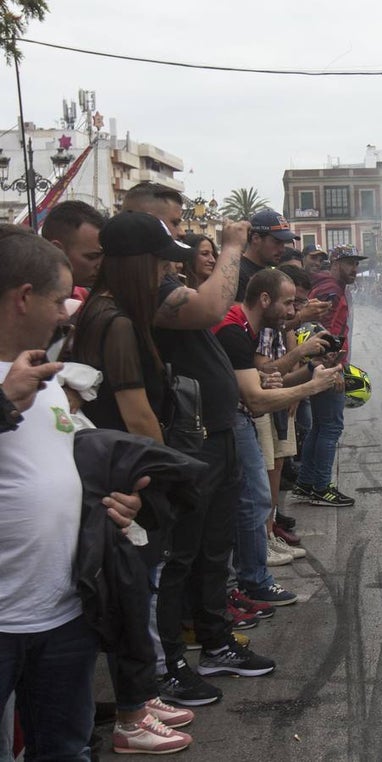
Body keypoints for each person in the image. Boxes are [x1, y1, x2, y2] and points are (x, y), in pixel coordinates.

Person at [0, 224, 146, 759]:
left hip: (62, 616)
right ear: (23, 298)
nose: (67, 313)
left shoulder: (48, 378)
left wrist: (109, 506)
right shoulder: (15, 384)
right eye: (59, 299)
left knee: (65, 749)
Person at [69, 212, 197, 752]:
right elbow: (136, 414)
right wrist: (175, 476)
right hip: (125, 481)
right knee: (131, 595)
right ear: (138, 264)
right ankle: (130, 714)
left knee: (136, 593)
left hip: (119, 475)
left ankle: (140, 698)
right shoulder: (116, 320)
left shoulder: (106, 312)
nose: (167, 275)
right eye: (163, 263)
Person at [214, 269, 342, 607]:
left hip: (233, 416)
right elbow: (255, 399)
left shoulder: (244, 328)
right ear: (265, 300)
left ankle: (248, 581)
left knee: (251, 500)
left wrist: (304, 370)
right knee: (253, 499)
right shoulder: (233, 330)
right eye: (287, 304)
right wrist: (312, 385)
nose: (292, 313)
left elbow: (258, 379)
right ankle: (252, 582)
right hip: (229, 420)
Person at [293, 245, 367, 507]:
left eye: (356, 264)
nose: (354, 269)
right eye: (349, 263)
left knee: (321, 426)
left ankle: (306, 483)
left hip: (322, 364)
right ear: (335, 264)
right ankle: (322, 486)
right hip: (328, 365)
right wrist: (333, 368)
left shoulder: (332, 287)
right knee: (331, 426)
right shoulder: (331, 290)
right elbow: (323, 330)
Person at [40, 200, 106, 295]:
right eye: (92, 257)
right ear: (57, 250)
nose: (101, 265)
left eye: (105, 256)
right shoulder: (32, 305)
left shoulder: (83, 297)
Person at [238, 210, 296, 300]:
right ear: (256, 239)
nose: (282, 249)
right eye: (277, 242)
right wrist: (300, 315)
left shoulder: (269, 274)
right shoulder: (238, 274)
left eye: (283, 243)